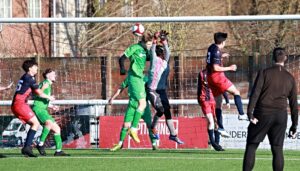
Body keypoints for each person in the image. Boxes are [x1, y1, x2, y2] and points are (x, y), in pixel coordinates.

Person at [243, 47, 298, 171]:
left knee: (252, 145)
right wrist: (294, 125)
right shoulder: (290, 78)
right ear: (285, 58)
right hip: (280, 116)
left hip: (263, 113)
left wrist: (250, 113)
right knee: (277, 149)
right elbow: (294, 104)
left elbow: (255, 93)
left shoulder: (264, 73)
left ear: (272, 58)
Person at [146, 30, 184, 144]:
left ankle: (173, 134)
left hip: (162, 91)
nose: (164, 53)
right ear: (159, 53)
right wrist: (154, 39)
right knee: (161, 110)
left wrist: (164, 40)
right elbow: (153, 50)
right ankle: (152, 127)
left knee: (167, 110)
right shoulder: (154, 61)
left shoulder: (165, 62)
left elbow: (168, 52)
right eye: (162, 52)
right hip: (152, 90)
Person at [11, 59, 55, 157]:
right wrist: (49, 97)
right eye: (35, 67)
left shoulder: (25, 77)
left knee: (34, 124)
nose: (37, 68)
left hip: (18, 104)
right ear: (30, 68)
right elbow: (38, 92)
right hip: (20, 104)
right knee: (35, 123)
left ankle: (27, 147)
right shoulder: (30, 78)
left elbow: (32, 92)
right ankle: (27, 147)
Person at [118, 32, 153, 143]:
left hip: (139, 77)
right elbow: (122, 58)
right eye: (148, 44)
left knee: (142, 104)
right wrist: (122, 69)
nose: (149, 46)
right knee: (142, 104)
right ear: (143, 42)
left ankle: (133, 131)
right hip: (134, 77)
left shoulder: (145, 50)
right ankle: (133, 129)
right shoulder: (134, 47)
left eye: (150, 44)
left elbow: (149, 57)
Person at [206, 32, 248, 120]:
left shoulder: (211, 47)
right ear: (222, 42)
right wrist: (230, 68)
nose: (225, 43)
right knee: (236, 92)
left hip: (209, 77)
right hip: (217, 77)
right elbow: (216, 68)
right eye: (225, 41)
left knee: (218, 102)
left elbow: (212, 58)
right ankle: (241, 114)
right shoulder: (217, 51)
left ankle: (220, 127)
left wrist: (221, 56)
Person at [109, 77, 157, 151]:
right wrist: (113, 98)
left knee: (149, 125)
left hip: (144, 106)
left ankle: (154, 144)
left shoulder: (145, 79)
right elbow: (121, 88)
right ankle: (120, 144)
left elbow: (152, 90)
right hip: (132, 105)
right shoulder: (130, 78)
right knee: (125, 125)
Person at [32, 69, 70, 156]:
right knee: (48, 123)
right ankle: (40, 144)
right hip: (38, 109)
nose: (55, 76)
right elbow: (38, 93)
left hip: (43, 108)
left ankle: (58, 151)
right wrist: (49, 97)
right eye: (53, 74)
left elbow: (43, 98)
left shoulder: (48, 85)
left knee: (57, 129)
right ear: (47, 75)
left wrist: (52, 106)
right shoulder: (45, 83)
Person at [197, 69, 224, 151]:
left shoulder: (217, 73)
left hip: (215, 100)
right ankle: (212, 142)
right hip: (205, 100)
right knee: (211, 121)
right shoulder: (202, 73)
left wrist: (223, 100)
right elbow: (199, 87)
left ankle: (217, 143)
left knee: (216, 122)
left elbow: (221, 87)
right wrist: (198, 99)